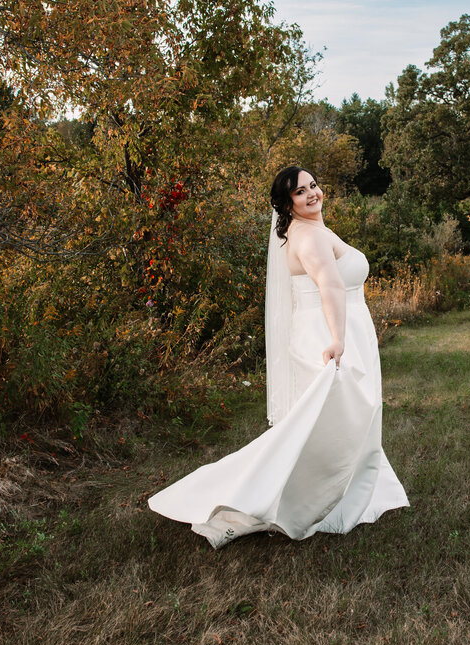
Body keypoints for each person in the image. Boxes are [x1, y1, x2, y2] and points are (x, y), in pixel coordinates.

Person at [148, 166, 409, 548]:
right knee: (336, 421)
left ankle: (352, 488)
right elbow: (331, 285)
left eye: (314, 185)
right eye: (300, 192)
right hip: (330, 331)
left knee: (342, 419)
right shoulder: (310, 238)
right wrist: (338, 339)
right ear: (288, 204)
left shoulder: (311, 231)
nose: (312, 194)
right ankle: (295, 499)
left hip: (334, 326)